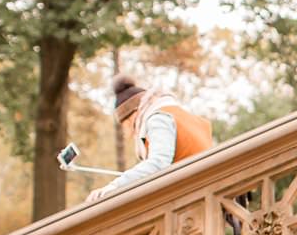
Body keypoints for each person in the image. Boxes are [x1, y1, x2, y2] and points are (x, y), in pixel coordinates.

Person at [86, 74, 213, 203]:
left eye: (124, 125)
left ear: (132, 116)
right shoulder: (179, 114)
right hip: (203, 191)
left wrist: (115, 186)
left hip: (194, 197)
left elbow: (158, 163)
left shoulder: (158, 118)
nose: (125, 133)